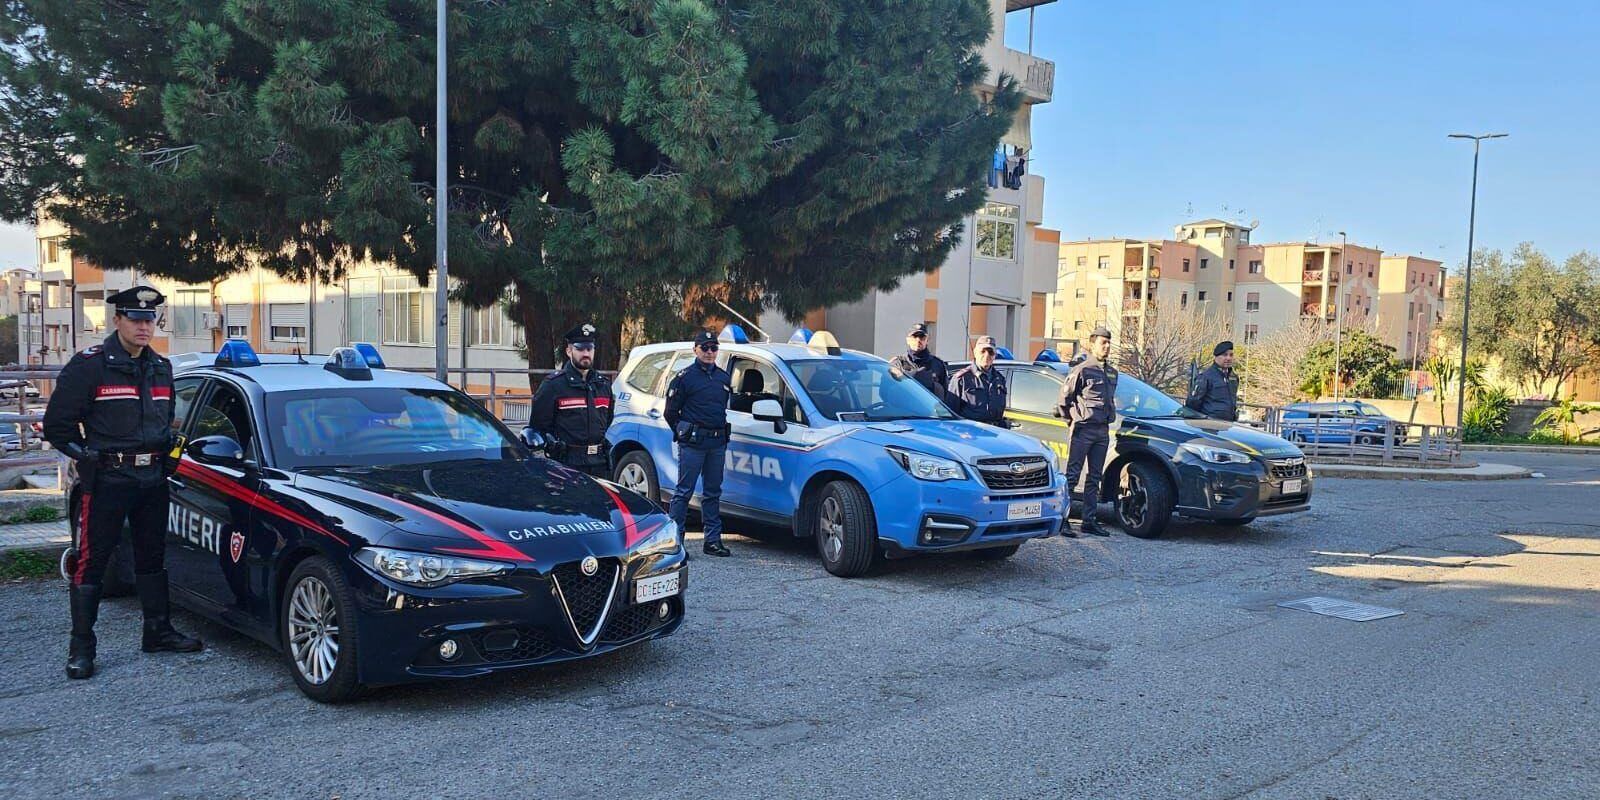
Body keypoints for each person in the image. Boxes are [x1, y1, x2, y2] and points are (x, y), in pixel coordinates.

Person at [44, 286, 202, 680]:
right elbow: (56, 426)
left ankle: (157, 631)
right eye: (135, 319)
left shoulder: (161, 367)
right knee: (93, 563)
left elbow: (165, 422)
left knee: (153, 556)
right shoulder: (90, 366)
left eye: (150, 319)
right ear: (117, 321)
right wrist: (86, 456)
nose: (144, 326)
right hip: (109, 480)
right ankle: (81, 648)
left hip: (152, 479)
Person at [664, 330, 732, 557]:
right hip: (693, 444)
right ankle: (675, 542)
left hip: (717, 443)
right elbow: (670, 413)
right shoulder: (684, 378)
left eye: (714, 348)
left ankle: (712, 541)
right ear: (695, 350)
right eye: (705, 348)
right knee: (683, 492)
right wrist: (683, 434)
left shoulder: (723, 378)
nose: (710, 352)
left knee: (713, 493)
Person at [529, 322, 614, 478]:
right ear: (569, 351)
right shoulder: (553, 385)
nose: (586, 353)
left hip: (599, 463)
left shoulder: (603, 385)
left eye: (589, 349)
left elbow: (607, 420)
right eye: (580, 349)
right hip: (567, 464)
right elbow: (538, 425)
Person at [1058, 326, 1118, 538]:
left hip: (1102, 430)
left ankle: (1089, 520)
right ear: (1093, 345)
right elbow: (1064, 400)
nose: (1107, 346)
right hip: (1083, 429)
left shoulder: (1111, 372)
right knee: (1072, 477)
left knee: (1094, 478)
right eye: (1103, 343)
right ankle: (1063, 520)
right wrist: (1073, 420)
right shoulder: (1082, 370)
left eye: (1109, 343)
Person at [947, 336, 1008, 427]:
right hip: (970, 433)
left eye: (990, 352)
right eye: (983, 351)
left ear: (994, 355)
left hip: (994, 433)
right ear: (975, 353)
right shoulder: (961, 379)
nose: (987, 356)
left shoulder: (1000, 379)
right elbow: (950, 413)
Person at [888, 323, 949, 405]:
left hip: (930, 414)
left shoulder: (937, 364)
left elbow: (945, 395)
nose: (918, 340)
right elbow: (885, 392)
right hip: (903, 412)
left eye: (922, 337)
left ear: (927, 340)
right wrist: (909, 377)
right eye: (914, 336)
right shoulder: (897, 364)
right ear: (908, 340)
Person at [1186, 340, 1240, 421]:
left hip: (1228, 424)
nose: (1228, 358)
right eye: (1224, 355)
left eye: (1231, 355)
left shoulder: (1233, 377)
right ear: (1216, 357)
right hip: (1210, 424)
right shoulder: (1205, 377)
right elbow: (1193, 402)